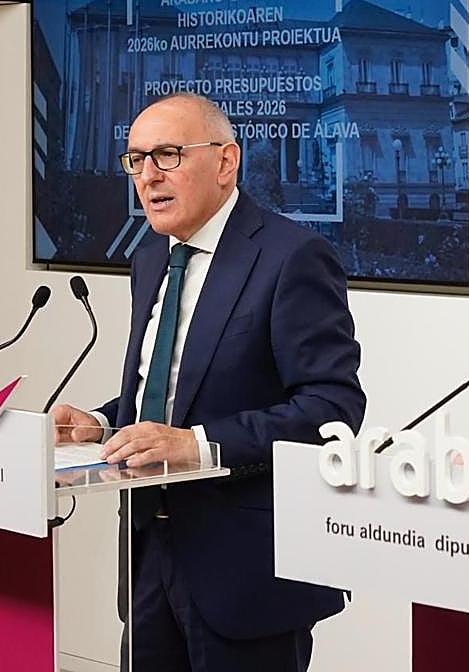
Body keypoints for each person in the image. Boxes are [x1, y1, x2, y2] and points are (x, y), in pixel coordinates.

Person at [53, 92, 365, 672]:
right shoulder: (151, 257)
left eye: (167, 155)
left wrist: (198, 444)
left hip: (246, 568)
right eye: (136, 159)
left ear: (226, 161)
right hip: (148, 548)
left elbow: (331, 407)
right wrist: (100, 422)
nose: (148, 176)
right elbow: (172, 390)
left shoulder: (293, 255)